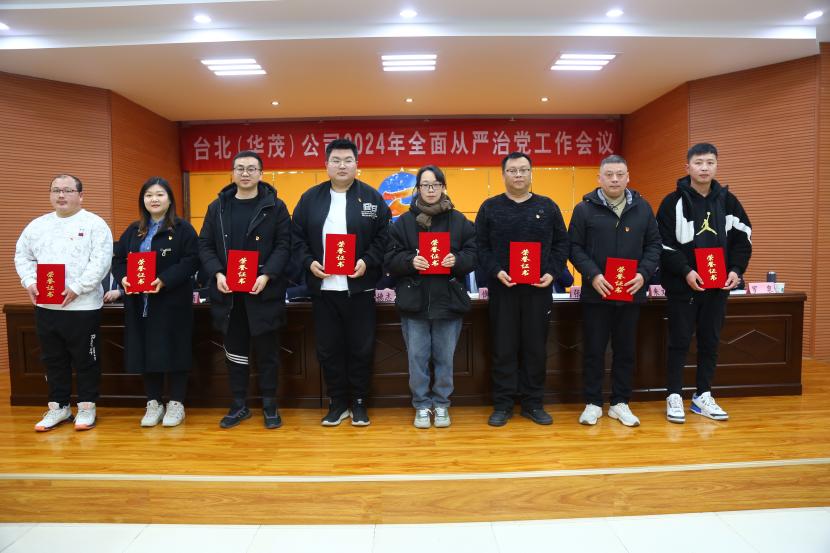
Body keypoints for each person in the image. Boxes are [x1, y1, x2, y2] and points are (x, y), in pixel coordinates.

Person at [292, 138, 391, 426]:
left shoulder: (372, 198)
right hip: (324, 290)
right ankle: (337, 403)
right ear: (326, 165)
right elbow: (295, 237)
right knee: (328, 349)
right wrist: (309, 262)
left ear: (357, 164)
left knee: (361, 348)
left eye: (348, 160)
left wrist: (367, 261)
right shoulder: (310, 199)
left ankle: (359, 402)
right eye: (336, 160)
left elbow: (385, 237)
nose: (342, 165)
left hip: (359, 288)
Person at [657, 143, 752, 423]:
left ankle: (703, 395)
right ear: (687, 167)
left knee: (710, 342)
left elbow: (743, 238)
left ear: (716, 166)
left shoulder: (728, 201)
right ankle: (674, 394)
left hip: (717, 288)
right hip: (683, 287)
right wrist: (686, 271)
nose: (704, 168)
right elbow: (662, 243)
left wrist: (736, 269)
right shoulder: (671, 202)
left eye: (710, 162)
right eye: (698, 162)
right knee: (679, 342)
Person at [198, 151, 292, 429]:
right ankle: (239, 404)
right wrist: (217, 273)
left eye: (251, 168)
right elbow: (205, 244)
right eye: (240, 168)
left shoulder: (275, 206)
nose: (245, 173)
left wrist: (267, 274)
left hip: (263, 292)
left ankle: (270, 405)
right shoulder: (218, 207)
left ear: (261, 173)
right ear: (232, 173)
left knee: (267, 352)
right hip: (229, 294)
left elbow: (284, 245)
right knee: (234, 351)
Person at [475, 152, 569, 427]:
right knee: (503, 348)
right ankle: (503, 404)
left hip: (538, 290)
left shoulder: (548, 207)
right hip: (503, 289)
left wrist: (552, 272)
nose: (518, 175)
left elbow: (562, 244)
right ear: (503, 174)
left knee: (535, 348)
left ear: (531, 173)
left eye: (524, 170)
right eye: (513, 170)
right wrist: (496, 271)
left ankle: (533, 403)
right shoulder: (490, 207)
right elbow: (480, 246)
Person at [568, 155, 662, 427]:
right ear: (599, 178)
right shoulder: (584, 210)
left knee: (625, 350)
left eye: (620, 174)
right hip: (596, 293)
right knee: (594, 350)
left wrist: (643, 274)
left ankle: (620, 402)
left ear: (628, 177)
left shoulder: (643, 208)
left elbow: (654, 245)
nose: (614, 179)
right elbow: (574, 247)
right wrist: (593, 274)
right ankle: (593, 402)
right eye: (609, 174)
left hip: (631, 292)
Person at [14, 174, 112, 431]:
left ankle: (87, 407)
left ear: (81, 195)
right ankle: (59, 407)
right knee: (52, 359)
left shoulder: (94, 224)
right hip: (46, 307)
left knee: (86, 359)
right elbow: (22, 256)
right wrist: (29, 281)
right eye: (56, 190)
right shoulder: (37, 225)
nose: (61, 195)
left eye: (68, 190)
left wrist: (78, 288)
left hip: (83, 306)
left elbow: (101, 261)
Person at [385, 165, 477, 428]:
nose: (430, 189)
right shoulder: (403, 223)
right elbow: (389, 259)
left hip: (448, 300)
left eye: (435, 184)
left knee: (445, 358)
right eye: (425, 185)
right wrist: (410, 261)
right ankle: (422, 405)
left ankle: (442, 403)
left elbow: (474, 254)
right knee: (417, 358)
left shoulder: (458, 221)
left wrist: (457, 260)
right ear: (418, 189)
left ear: (443, 187)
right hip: (415, 302)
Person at [112, 177, 199, 427]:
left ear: (169, 199)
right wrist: (124, 278)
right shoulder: (133, 230)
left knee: (176, 349)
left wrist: (164, 279)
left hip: (171, 302)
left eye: (160, 194)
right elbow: (118, 260)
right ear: (143, 200)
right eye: (149, 195)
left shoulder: (182, 229)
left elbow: (192, 260)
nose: (154, 199)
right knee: (145, 350)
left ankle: (176, 403)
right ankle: (153, 402)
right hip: (140, 303)